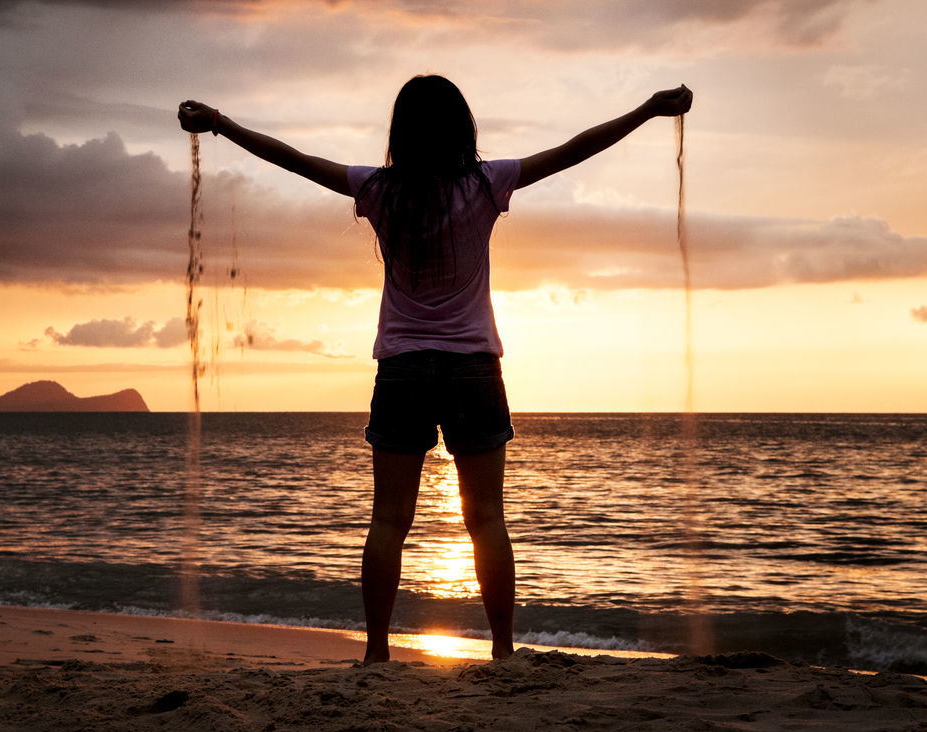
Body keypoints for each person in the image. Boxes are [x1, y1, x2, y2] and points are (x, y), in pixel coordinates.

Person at [179, 76, 692, 664]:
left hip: (402, 370)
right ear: (462, 128)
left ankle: (377, 653)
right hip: (473, 368)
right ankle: (502, 650)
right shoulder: (484, 183)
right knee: (487, 519)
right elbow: (574, 150)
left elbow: (292, 159)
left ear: (400, 132)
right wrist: (649, 110)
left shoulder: (377, 189)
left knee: (389, 521)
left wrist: (222, 123)